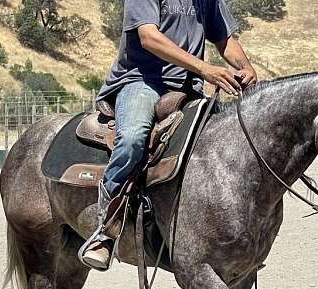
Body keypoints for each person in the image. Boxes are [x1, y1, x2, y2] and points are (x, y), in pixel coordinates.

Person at [79, 0, 258, 270]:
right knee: (132, 139)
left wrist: (246, 67)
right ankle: (106, 229)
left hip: (189, 87)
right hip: (142, 81)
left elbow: (224, 38)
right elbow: (149, 37)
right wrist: (204, 69)